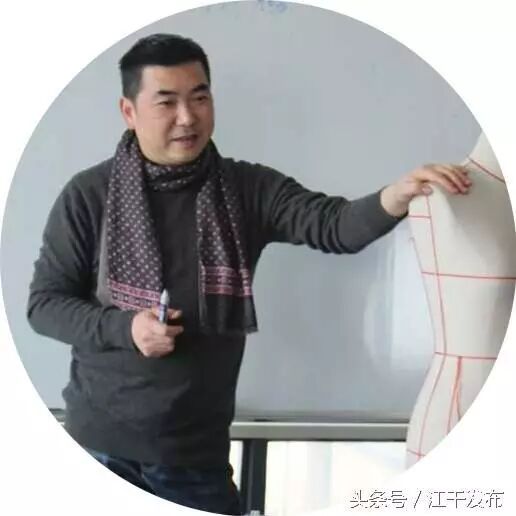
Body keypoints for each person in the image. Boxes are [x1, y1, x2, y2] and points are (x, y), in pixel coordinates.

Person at [27, 33, 471, 515]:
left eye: (200, 97)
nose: (187, 117)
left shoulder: (246, 189)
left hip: (194, 458)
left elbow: (334, 225)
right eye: (167, 102)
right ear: (129, 112)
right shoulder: (89, 195)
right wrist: (126, 328)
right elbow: (45, 305)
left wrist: (397, 195)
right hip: (97, 449)